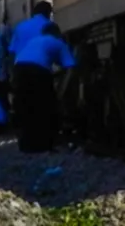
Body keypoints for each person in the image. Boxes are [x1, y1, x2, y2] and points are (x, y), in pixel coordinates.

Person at [12, 22, 75, 153]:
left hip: (19, 69)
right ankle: (45, 145)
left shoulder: (34, 41)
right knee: (46, 108)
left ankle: (26, 145)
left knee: (26, 107)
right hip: (37, 71)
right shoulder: (58, 42)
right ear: (57, 33)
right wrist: (60, 93)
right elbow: (70, 68)